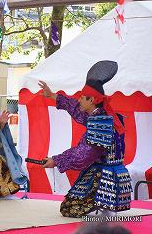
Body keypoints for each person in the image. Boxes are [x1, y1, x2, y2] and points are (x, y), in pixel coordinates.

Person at [40, 60, 132, 218]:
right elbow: (75, 108)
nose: (79, 100)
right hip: (105, 170)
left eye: (83, 98)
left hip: (105, 176)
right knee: (68, 207)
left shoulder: (101, 122)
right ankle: (102, 205)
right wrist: (52, 96)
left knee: (69, 208)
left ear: (93, 100)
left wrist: (56, 160)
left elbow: (85, 153)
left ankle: (103, 203)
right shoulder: (101, 115)